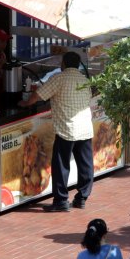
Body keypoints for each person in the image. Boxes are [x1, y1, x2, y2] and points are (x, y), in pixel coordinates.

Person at [24, 51, 94, 212]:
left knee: (61, 164)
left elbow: (38, 95)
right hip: (84, 127)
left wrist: (25, 103)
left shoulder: (59, 79)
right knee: (86, 165)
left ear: (63, 64)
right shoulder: (85, 80)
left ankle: (61, 200)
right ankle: (82, 198)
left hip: (67, 129)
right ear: (77, 65)